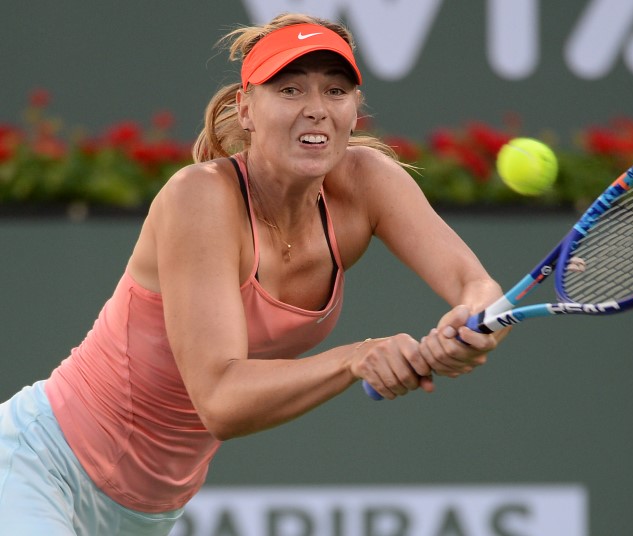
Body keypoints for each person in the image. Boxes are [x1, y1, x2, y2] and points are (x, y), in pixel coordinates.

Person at [0, 12, 508, 536]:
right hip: (39, 467)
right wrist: (356, 357)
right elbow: (219, 399)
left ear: (356, 110)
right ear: (246, 109)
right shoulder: (199, 197)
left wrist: (475, 325)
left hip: (147, 513)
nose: (316, 109)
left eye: (336, 91)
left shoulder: (368, 182)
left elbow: (478, 287)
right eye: (289, 90)